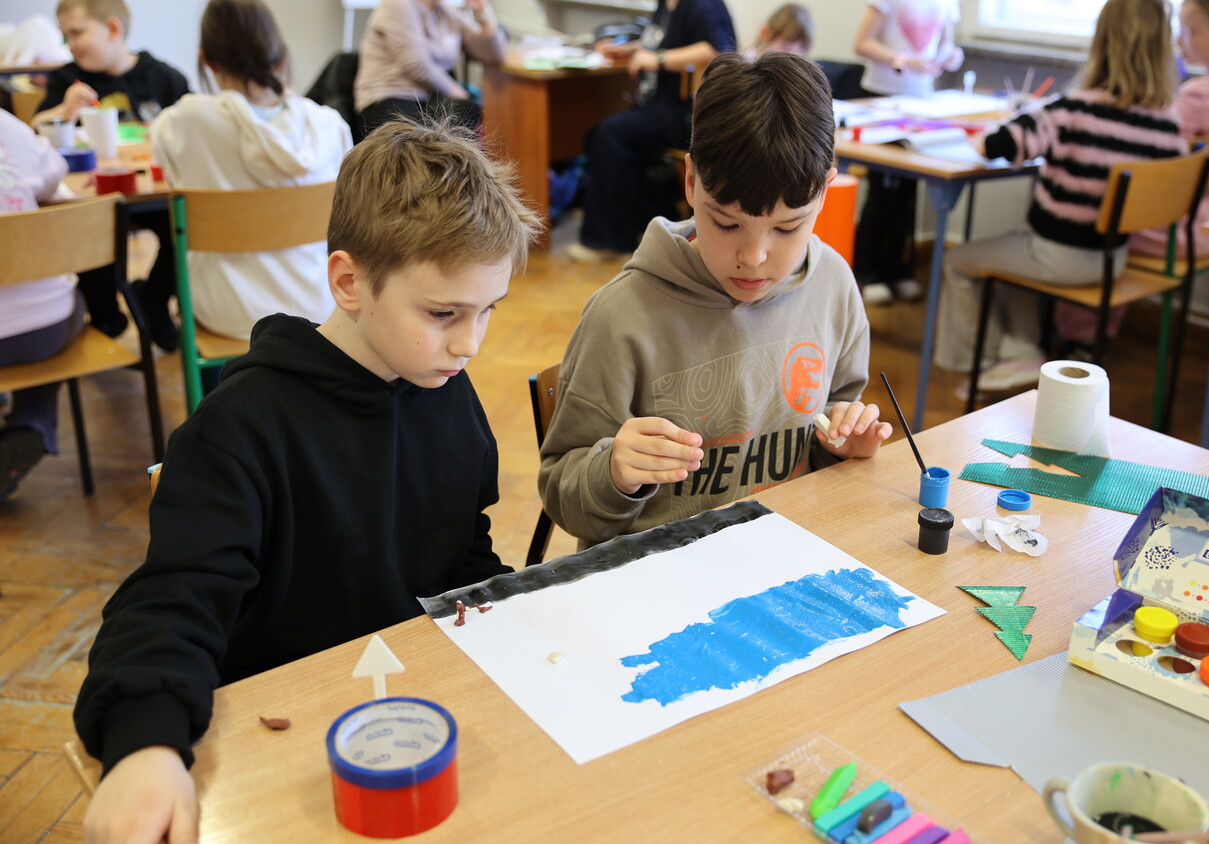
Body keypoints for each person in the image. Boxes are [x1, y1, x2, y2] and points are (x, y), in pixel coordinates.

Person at [73, 119, 540, 844]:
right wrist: (146, 746)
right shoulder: (241, 429)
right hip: (280, 737)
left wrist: (512, 613)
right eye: (443, 313)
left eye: (488, 310)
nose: (470, 342)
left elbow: (461, 545)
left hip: (415, 710)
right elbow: (172, 600)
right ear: (349, 282)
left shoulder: (443, 382)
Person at [541, 52, 893, 547]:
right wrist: (613, 473)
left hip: (781, 557)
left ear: (824, 191)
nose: (753, 257)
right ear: (691, 181)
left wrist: (841, 443)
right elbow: (563, 491)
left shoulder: (832, 285)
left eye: (787, 228)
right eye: (727, 224)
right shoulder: (621, 317)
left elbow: (833, 418)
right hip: (656, 574)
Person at [932, 0, 1186, 394]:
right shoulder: (1168, 126)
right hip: (1113, 259)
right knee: (1014, 246)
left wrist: (1019, 116)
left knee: (958, 260)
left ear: (1101, 43)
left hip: (1056, 256)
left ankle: (982, 364)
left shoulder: (1071, 110)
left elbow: (997, 144)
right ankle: (1022, 351)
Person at [1059, 0, 1209, 348]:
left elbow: (1152, 159)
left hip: (1182, 233)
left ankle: (1082, 336)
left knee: (1092, 223)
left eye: (1190, 31)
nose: (1179, 41)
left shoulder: (1198, 95)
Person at [149, 0, 353, 340]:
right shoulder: (329, 126)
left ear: (207, 60)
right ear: (280, 59)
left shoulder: (180, 123)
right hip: (317, 305)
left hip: (224, 311)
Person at [34, 0, 190, 348]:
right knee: (85, 233)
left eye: (77, 32)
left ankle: (155, 299)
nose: (71, 44)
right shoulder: (66, 79)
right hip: (93, 199)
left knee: (186, 224)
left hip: (152, 193)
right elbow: (33, 134)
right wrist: (64, 110)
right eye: (65, 36)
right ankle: (105, 314)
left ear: (113, 29)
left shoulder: (165, 78)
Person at [566, 0, 736, 262]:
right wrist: (630, 51)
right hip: (657, 107)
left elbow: (716, 50)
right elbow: (667, 44)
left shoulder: (702, 5)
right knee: (596, 136)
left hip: (685, 112)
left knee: (611, 136)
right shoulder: (665, 6)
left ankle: (610, 242)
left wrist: (657, 59)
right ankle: (642, 224)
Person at [851, 0, 964, 305]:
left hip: (921, 100)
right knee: (882, 189)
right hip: (883, 97)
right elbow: (862, 43)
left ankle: (898, 270)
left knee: (908, 190)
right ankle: (868, 272)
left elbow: (947, 43)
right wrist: (901, 59)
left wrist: (950, 56)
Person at [0, 111, 81, 500]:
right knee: (57, 299)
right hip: (42, 330)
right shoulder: (10, 127)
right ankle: (32, 421)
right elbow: (55, 175)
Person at [354, 0, 505, 138]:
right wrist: (458, 92)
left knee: (467, 109)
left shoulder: (448, 12)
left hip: (429, 101)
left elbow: (494, 55)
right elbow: (416, 64)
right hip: (389, 96)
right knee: (417, 139)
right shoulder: (398, 4)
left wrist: (483, 14)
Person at [748, 3, 814, 58]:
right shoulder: (748, 63)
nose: (789, 60)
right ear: (765, 33)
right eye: (785, 47)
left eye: (798, 55)